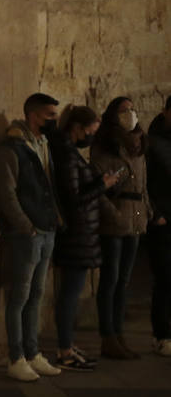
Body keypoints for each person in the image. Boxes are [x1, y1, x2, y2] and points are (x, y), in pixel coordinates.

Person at [0, 92, 63, 382]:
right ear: (33, 116)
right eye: (49, 115)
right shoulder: (11, 149)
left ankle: (33, 353)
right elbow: (6, 193)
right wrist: (26, 226)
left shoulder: (43, 143)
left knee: (36, 294)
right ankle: (16, 356)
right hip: (27, 234)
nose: (54, 121)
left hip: (46, 229)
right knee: (19, 296)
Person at [51, 107, 116, 371]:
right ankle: (64, 349)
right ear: (77, 127)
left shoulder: (70, 153)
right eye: (90, 131)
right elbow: (74, 199)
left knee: (72, 293)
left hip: (81, 234)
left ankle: (67, 344)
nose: (91, 136)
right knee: (69, 294)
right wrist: (103, 185)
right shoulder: (67, 156)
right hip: (76, 236)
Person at [91, 96, 151, 360]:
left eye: (132, 109)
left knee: (123, 281)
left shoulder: (138, 145)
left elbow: (142, 184)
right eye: (124, 110)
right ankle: (108, 336)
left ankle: (119, 333)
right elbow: (98, 187)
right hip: (116, 219)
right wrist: (113, 213)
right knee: (110, 279)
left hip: (135, 219)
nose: (130, 114)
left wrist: (147, 211)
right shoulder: (104, 147)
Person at [147, 96, 171, 356]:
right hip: (162, 220)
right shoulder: (152, 143)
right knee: (165, 277)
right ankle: (162, 334)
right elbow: (144, 183)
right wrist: (154, 214)